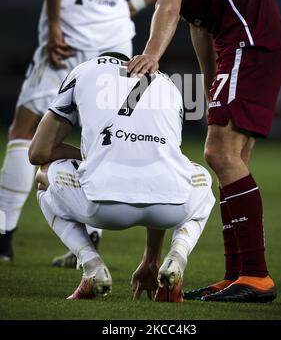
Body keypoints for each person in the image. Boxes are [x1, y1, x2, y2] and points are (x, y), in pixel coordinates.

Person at [66, 0, 281, 302]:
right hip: (248, 39)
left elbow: (169, 9)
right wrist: (210, 87)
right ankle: (238, 274)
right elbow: (198, 25)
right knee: (233, 161)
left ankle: (257, 276)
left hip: (248, 39)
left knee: (219, 154)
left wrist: (151, 54)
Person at [0, 0, 163, 265]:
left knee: (25, 127)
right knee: (105, 134)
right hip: (115, 37)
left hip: (68, 34)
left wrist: (54, 24)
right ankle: (89, 238)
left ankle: (3, 235)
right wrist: (131, 7)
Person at [28, 52, 215, 301]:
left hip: (101, 208)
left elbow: (38, 152)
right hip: (171, 208)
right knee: (200, 177)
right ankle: (176, 256)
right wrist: (151, 258)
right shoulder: (167, 83)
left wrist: (97, 154)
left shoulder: (84, 71)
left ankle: (91, 265)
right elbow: (162, 162)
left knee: (43, 176)